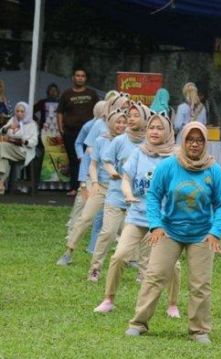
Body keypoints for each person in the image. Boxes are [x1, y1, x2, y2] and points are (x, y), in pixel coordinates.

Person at [125, 122, 221, 344]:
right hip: (169, 231)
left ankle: (199, 330)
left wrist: (216, 231)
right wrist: (156, 225)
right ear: (183, 141)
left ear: (205, 143)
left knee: (201, 284)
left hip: (202, 234)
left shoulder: (214, 170)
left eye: (199, 140)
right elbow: (154, 195)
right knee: (154, 277)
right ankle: (138, 323)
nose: (194, 144)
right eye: (190, 139)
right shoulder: (169, 165)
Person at [94, 112, 181, 317]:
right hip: (137, 215)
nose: (154, 132)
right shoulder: (138, 153)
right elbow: (126, 178)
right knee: (119, 256)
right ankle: (108, 299)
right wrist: (128, 193)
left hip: (163, 220)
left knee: (173, 264)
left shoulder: (174, 158)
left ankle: (172, 304)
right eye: (151, 127)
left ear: (168, 132)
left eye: (160, 128)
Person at [87, 102, 150, 281]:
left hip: (139, 198)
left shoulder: (149, 142)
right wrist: (111, 171)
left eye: (136, 115)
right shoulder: (119, 140)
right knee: (108, 233)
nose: (131, 119)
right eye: (129, 115)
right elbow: (105, 160)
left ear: (145, 119)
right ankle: (95, 268)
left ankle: (143, 274)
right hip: (116, 194)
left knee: (144, 237)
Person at [56, 108, 127, 266]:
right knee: (85, 218)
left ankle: (132, 259)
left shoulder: (129, 142)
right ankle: (68, 252)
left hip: (120, 191)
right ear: (110, 123)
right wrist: (93, 183)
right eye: (118, 122)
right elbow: (92, 164)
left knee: (127, 226)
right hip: (101, 187)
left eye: (124, 122)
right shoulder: (101, 140)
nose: (121, 125)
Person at [68, 100, 108, 254]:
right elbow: (80, 145)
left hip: (102, 180)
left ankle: (92, 247)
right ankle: (71, 238)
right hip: (88, 176)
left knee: (98, 216)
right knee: (81, 209)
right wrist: (82, 180)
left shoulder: (115, 129)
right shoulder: (92, 125)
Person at [56, 66, 99, 195]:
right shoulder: (66, 94)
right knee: (74, 159)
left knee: (91, 159)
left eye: (83, 76)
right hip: (71, 132)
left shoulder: (92, 94)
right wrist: (60, 128)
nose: (80, 78)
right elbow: (59, 112)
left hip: (90, 133)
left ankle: (90, 186)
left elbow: (99, 111)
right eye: (78, 75)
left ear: (85, 78)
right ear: (73, 78)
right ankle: (74, 188)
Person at [0, 102, 38, 194]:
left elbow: (34, 142)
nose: (19, 113)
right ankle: (1, 183)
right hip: (12, 148)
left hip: (24, 151)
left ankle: (1, 183)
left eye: (22, 111)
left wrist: (24, 141)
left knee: (1, 148)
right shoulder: (13, 120)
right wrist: (9, 126)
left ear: (26, 112)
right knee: (3, 157)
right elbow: (2, 131)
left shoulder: (31, 124)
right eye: (17, 111)